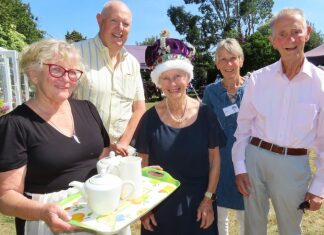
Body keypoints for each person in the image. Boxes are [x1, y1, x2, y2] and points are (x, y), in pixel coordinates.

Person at [0, 39, 110, 235]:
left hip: (98, 211)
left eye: (73, 72)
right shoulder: (15, 124)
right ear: (34, 74)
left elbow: (103, 156)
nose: (67, 79)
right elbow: (6, 197)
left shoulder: (88, 109)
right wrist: (43, 212)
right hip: (49, 220)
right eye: (57, 70)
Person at [232, 8, 324, 235]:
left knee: (290, 228)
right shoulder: (258, 79)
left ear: (308, 33)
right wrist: (240, 167)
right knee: (253, 226)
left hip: (293, 165)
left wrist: (319, 186)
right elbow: (243, 128)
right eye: (281, 34)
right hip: (255, 158)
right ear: (272, 41)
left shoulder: (321, 84)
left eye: (296, 31)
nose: (290, 40)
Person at [133, 34, 226, 235]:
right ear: (158, 82)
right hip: (159, 211)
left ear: (188, 78)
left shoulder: (206, 114)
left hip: (200, 208)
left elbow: (215, 161)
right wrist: (145, 207)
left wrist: (208, 199)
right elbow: (141, 166)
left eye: (178, 76)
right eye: (165, 77)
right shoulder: (149, 119)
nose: (172, 83)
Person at [74, 0, 146, 156]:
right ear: (100, 20)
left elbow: (139, 108)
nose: (120, 28)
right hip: (83, 152)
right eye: (114, 20)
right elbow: (61, 103)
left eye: (126, 24)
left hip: (122, 153)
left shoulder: (132, 63)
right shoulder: (75, 53)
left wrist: (123, 143)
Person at [203, 38, 248, 235]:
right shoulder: (210, 92)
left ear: (241, 61)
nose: (228, 64)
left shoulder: (253, 88)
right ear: (217, 64)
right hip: (220, 161)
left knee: (247, 215)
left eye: (232, 58)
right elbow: (204, 127)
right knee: (220, 216)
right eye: (223, 59)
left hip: (247, 161)